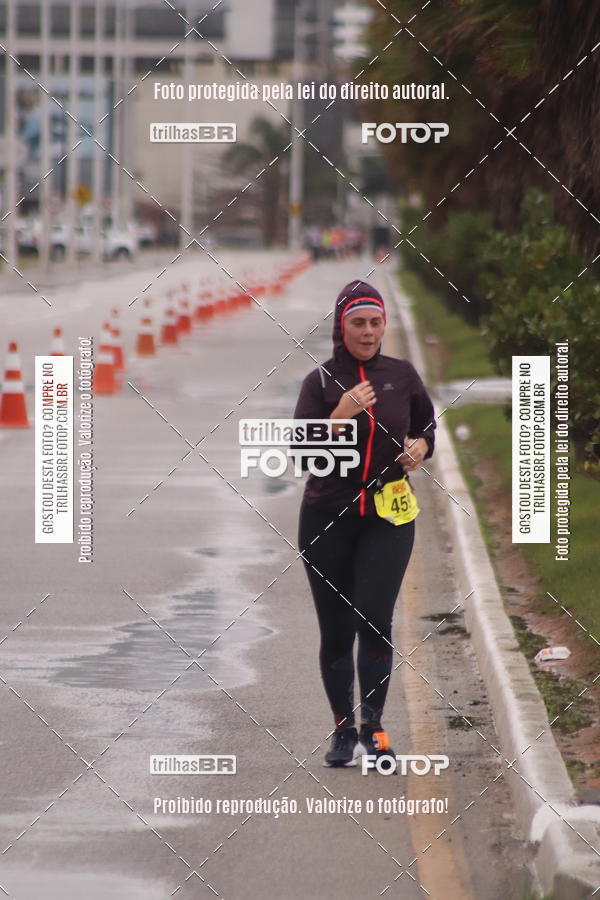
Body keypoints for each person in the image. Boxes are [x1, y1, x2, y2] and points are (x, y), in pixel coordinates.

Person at [293, 280, 436, 767]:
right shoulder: (319, 383)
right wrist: (339, 415)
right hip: (326, 519)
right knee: (335, 632)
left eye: (375, 322)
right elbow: (301, 453)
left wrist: (420, 447)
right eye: (359, 322)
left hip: (388, 517)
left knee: (374, 615)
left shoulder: (401, 375)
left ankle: (374, 729)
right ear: (342, 325)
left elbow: (425, 425)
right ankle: (342, 732)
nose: (369, 331)